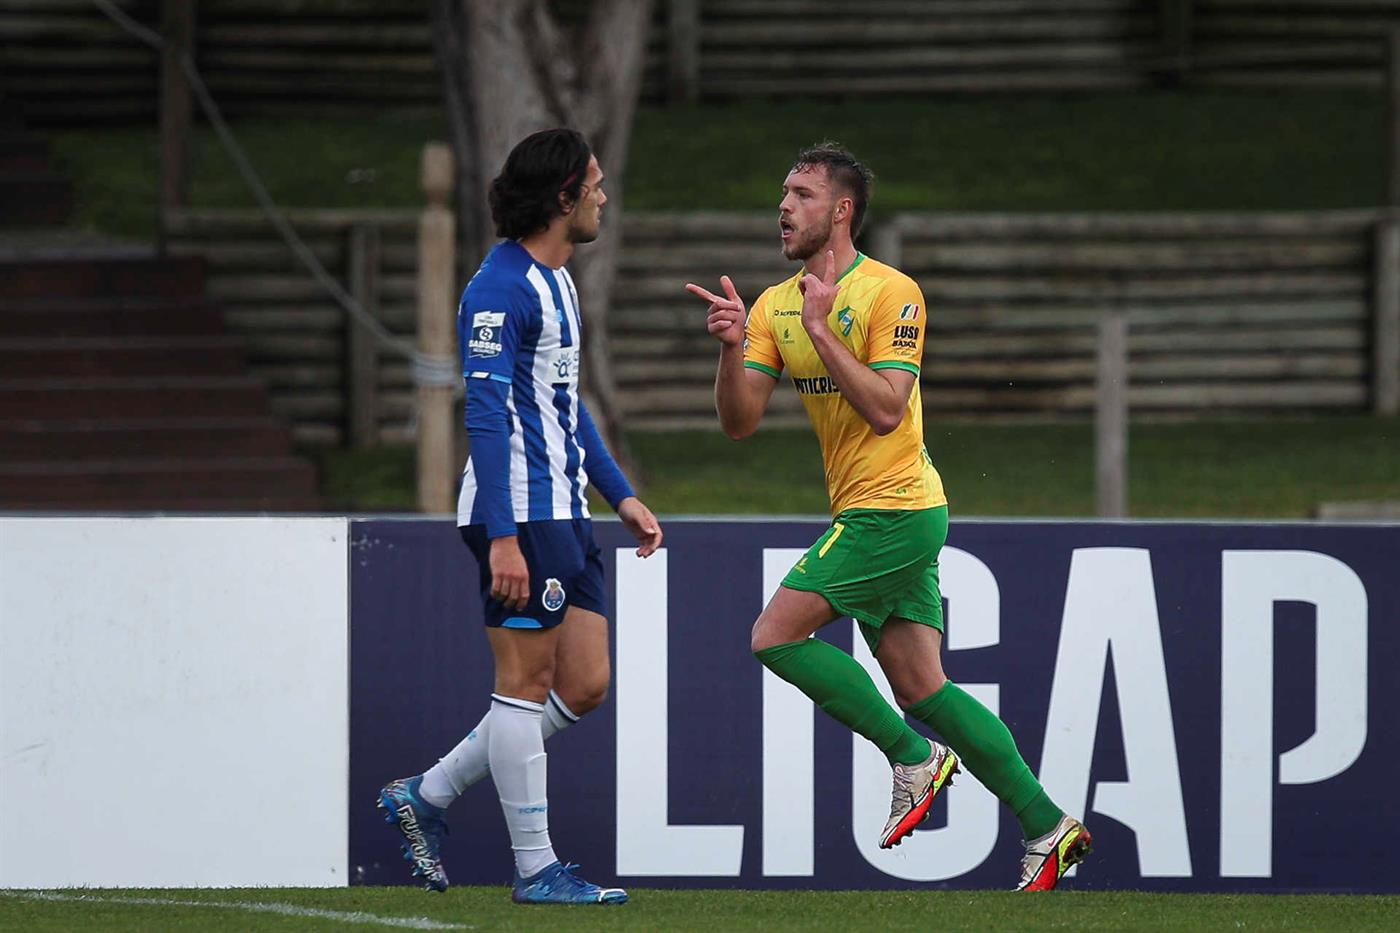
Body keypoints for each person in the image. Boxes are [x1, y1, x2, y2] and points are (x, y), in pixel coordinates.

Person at [685, 143, 1092, 891]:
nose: (784, 206)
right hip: (878, 510)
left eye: (802, 193)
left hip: (896, 508)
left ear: (841, 211)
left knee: (773, 635)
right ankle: (1046, 822)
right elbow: (739, 423)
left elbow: (884, 408)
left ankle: (912, 758)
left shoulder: (891, 290)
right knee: (923, 685)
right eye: (783, 192)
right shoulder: (777, 303)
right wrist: (733, 345)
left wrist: (822, 329)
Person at [379, 128, 662, 906]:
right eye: (595, 185)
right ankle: (536, 870)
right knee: (526, 684)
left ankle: (428, 793)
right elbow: (486, 411)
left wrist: (619, 492)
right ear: (562, 197)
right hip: (520, 516)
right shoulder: (498, 288)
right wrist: (502, 534)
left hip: (565, 510)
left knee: (588, 681)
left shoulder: (561, 282)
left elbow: (566, 408)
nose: (605, 196)